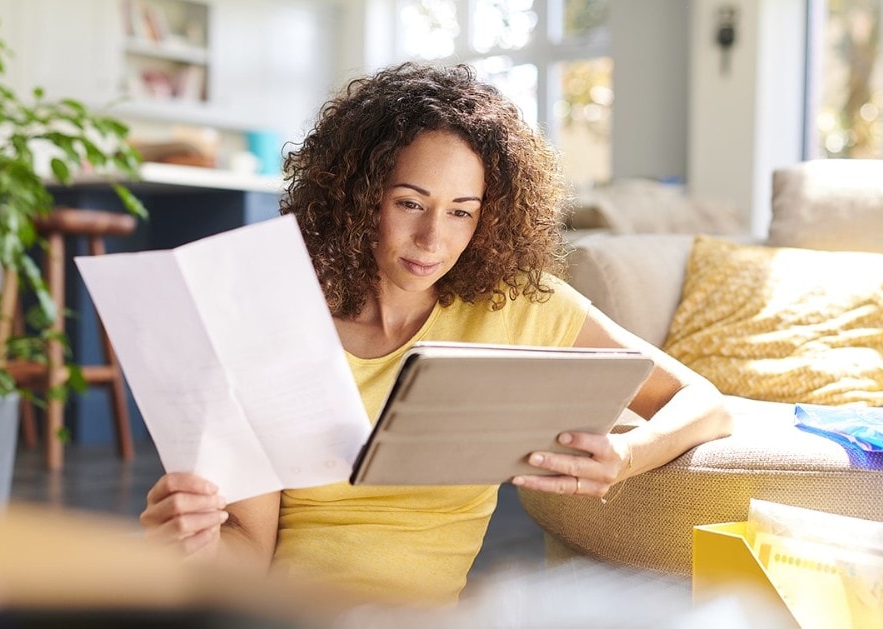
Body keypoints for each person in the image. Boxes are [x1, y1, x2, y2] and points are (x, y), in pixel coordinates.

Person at [140, 62, 730, 605]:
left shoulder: (519, 304)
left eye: (461, 211)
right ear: (358, 195)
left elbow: (702, 402)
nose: (433, 240)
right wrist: (194, 542)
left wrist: (626, 455)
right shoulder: (275, 318)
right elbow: (248, 555)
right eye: (409, 203)